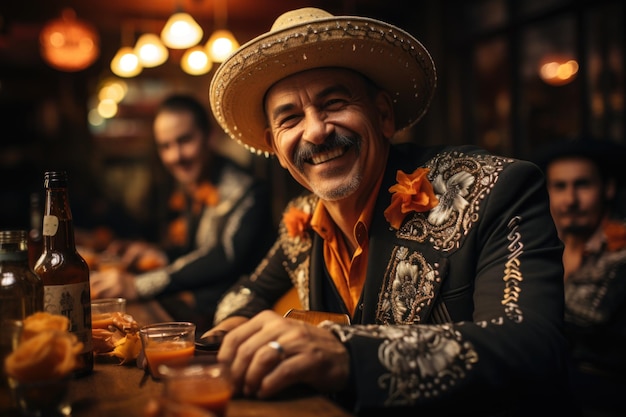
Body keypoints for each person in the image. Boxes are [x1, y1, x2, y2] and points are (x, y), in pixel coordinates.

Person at [202, 7, 568, 416]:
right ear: (276, 148)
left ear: (383, 115)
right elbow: (250, 289)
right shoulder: (301, 219)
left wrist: (346, 355)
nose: (316, 130)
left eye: (335, 102)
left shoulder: (495, 188)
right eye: (290, 118)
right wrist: (230, 330)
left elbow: (532, 344)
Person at [89, 94, 275, 333]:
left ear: (210, 135)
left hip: (241, 322)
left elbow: (222, 256)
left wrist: (138, 285)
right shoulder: (193, 184)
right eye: (165, 146)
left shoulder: (246, 190)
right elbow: (195, 250)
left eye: (185, 140)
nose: (176, 156)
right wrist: (159, 253)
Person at [536, 139, 626, 417]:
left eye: (582, 185)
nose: (570, 200)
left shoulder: (621, 257)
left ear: (607, 188)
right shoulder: (533, 251)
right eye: (559, 186)